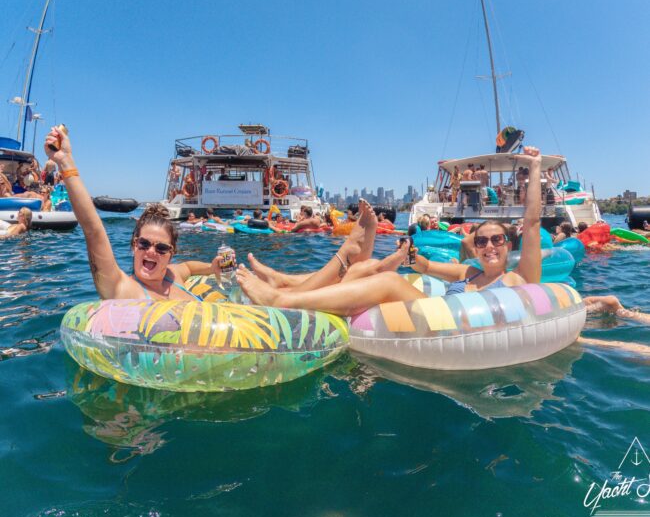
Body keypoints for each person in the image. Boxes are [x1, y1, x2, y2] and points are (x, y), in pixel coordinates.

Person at [235, 147, 544, 317]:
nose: (489, 246)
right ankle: (286, 284)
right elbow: (422, 266)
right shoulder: (469, 272)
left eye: (497, 239)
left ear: (509, 245)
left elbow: (531, 224)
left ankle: (280, 300)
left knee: (387, 280)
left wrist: (534, 167)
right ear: (474, 246)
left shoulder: (518, 279)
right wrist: (408, 255)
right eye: (482, 240)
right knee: (366, 267)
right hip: (437, 309)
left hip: (446, 319)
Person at [44, 126, 231, 301]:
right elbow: (93, 230)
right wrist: (65, 161)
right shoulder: (124, 290)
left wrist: (210, 268)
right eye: (144, 243)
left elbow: (188, 267)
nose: (151, 251)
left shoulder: (173, 276)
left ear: (171, 254)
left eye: (161, 248)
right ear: (134, 246)